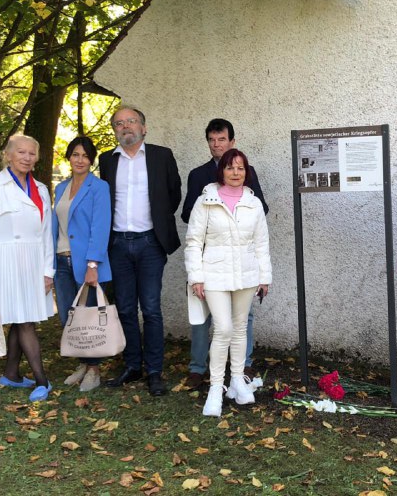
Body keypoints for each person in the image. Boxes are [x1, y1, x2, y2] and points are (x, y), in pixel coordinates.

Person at [98, 106, 181, 396]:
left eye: (131, 121)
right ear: (115, 130)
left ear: (143, 128)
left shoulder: (161, 156)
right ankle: (133, 365)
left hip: (149, 243)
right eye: (119, 123)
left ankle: (154, 371)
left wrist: (156, 226)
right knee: (124, 308)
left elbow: (174, 194)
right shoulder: (106, 160)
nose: (125, 127)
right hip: (118, 244)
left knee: (151, 309)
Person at [181, 118, 269, 390]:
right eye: (212, 140)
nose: (216, 144)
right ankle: (198, 367)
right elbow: (188, 216)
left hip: (241, 261)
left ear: (232, 141)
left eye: (222, 139)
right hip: (210, 259)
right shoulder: (198, 175)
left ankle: (243, 364)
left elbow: (259, 209)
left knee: (243, 318)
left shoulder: (247, 170)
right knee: (203, 314)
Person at [0, 134, 55, 402]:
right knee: (23, 321)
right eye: (21, 152)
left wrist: (48, 271)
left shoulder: (41, 189)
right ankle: (42, 380)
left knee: (24, 317)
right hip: (4, 261)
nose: (27, 157)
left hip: (32, 263)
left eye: (32, 153)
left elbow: (46, 234)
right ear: (8, 155)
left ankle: (11, 374)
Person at [52, 137, 112, 392]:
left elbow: (100, 226)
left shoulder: (99, 188)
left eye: (85, 156)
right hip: (60, 259)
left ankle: (94, 369)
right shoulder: (60, 188)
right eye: (75, 154)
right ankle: (83, 363)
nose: (80, 160)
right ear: (69, 156)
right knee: (69, 316)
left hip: (86, 262)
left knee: (88, 319)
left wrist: (92, 264)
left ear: (91, 160)